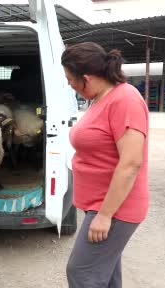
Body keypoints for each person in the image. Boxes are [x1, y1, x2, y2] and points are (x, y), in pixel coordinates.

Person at [61, 42, 149, 288]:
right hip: (99, 204)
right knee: (106, 275)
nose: (69, 84)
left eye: (70, 79)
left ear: (86, 79)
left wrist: (105, 215)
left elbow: (131, 163)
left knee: (81, 273)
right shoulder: (101, 98)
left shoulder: (125, 100)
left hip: (114, 208)